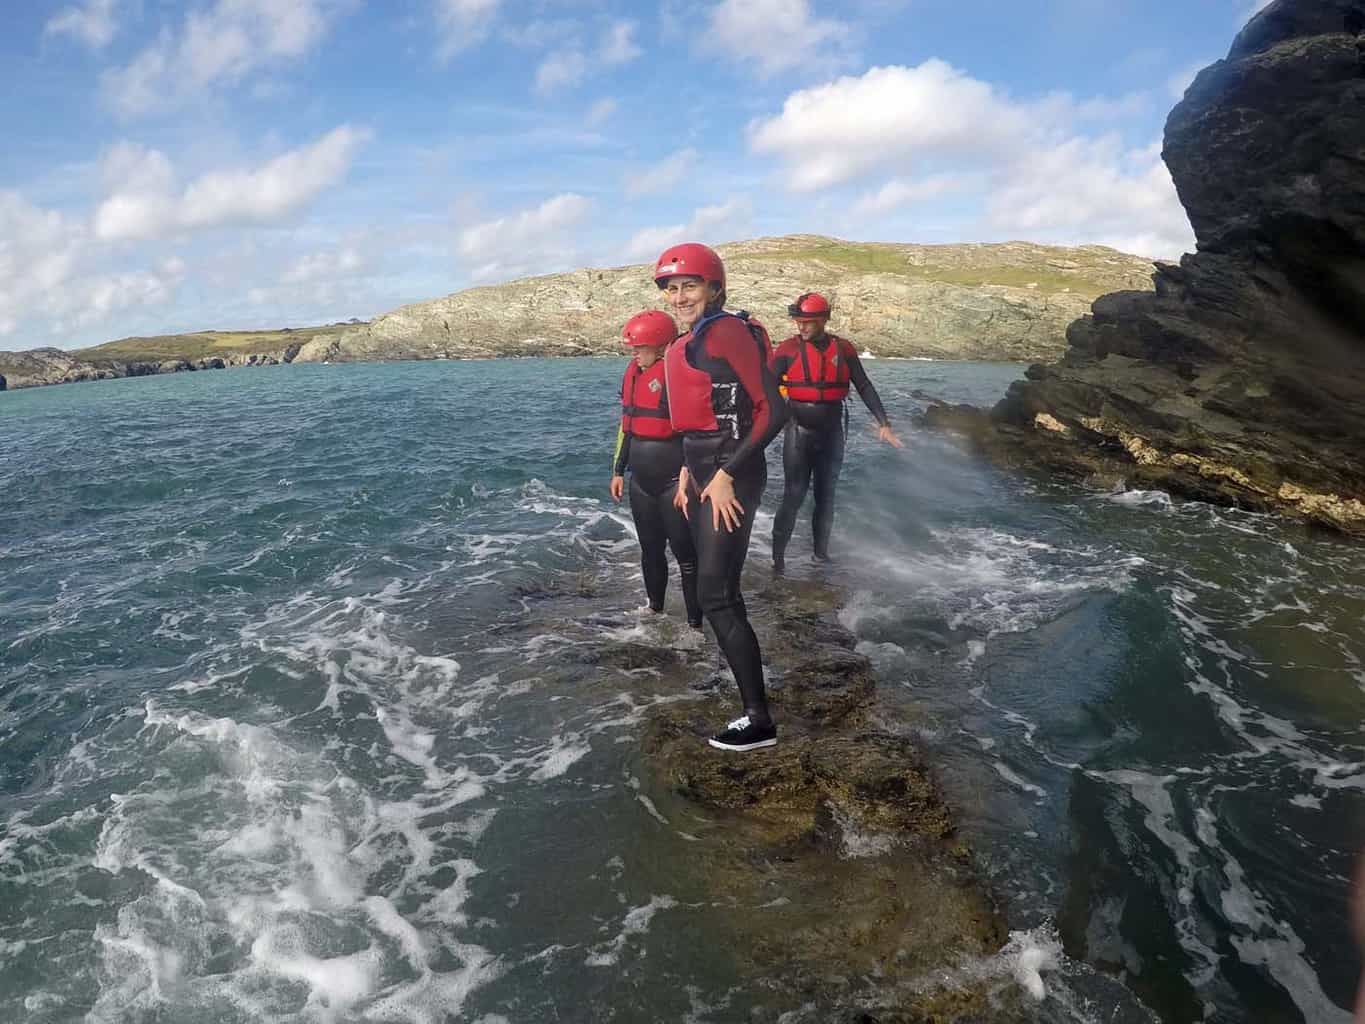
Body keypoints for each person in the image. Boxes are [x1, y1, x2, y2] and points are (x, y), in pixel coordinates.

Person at [655, 242, 788, 752]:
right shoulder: (694, 338)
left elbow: (772, 412)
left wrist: (727, 473)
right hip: (705, 473)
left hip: (733, 474)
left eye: (690, 285)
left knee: (717, 594)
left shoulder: (728, 330)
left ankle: (759, 721)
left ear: (714, 287)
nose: (680, 295)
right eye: (672, 288)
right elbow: (704, 415)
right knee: (720, 592)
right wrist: (691, 470)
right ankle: (748, 695)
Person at [769, 292, 903, 573]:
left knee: (825, 495)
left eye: (808, 322)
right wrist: (772, 419)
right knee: (793, 495)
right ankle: (777, 561)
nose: (801, 327)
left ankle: (820, 556)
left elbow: (864, 385)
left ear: (824, 320)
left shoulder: (844, 349)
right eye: (799, 321)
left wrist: (883, 423)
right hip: (799, 432)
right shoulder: (787, 350)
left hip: (831, 433)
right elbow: (763, 385)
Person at [610, 310, 702, 630]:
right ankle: (655, 610)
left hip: (673, 482)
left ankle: (695, 624)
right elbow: (628, 427)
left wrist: (687, 477)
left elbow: (695, 433)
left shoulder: (676, 375)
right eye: (633, 348)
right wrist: (619, 470)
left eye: (640, 347)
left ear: (663, 346)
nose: (635, 353)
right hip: (641, 482)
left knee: (686, 556)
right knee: (650, 551)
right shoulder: (633, 373)